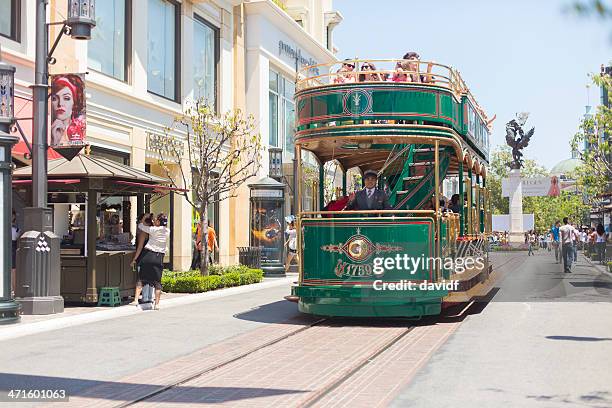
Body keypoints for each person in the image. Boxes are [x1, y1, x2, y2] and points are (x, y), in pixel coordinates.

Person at [131, 213, 170, 310]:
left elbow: (141, 225)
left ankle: (136, 300)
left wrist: (144, 217)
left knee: (141, 279)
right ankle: (156, 304)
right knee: (157, 282)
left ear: (158, 221)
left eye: (156, 220)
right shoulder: (167, 231)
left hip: (148, 255)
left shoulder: (153, 230)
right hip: (159, 257)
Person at [50, 74, 86, 147]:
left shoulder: (81, 129)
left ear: (74, 102)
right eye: (54, 99)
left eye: (66, 98)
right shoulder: (44, 130)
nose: (60, 103)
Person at [11, 210, 20, 296]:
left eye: (12, 215)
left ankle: (14, 290)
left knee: (13, 270)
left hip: (12, 249)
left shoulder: (17, 230)